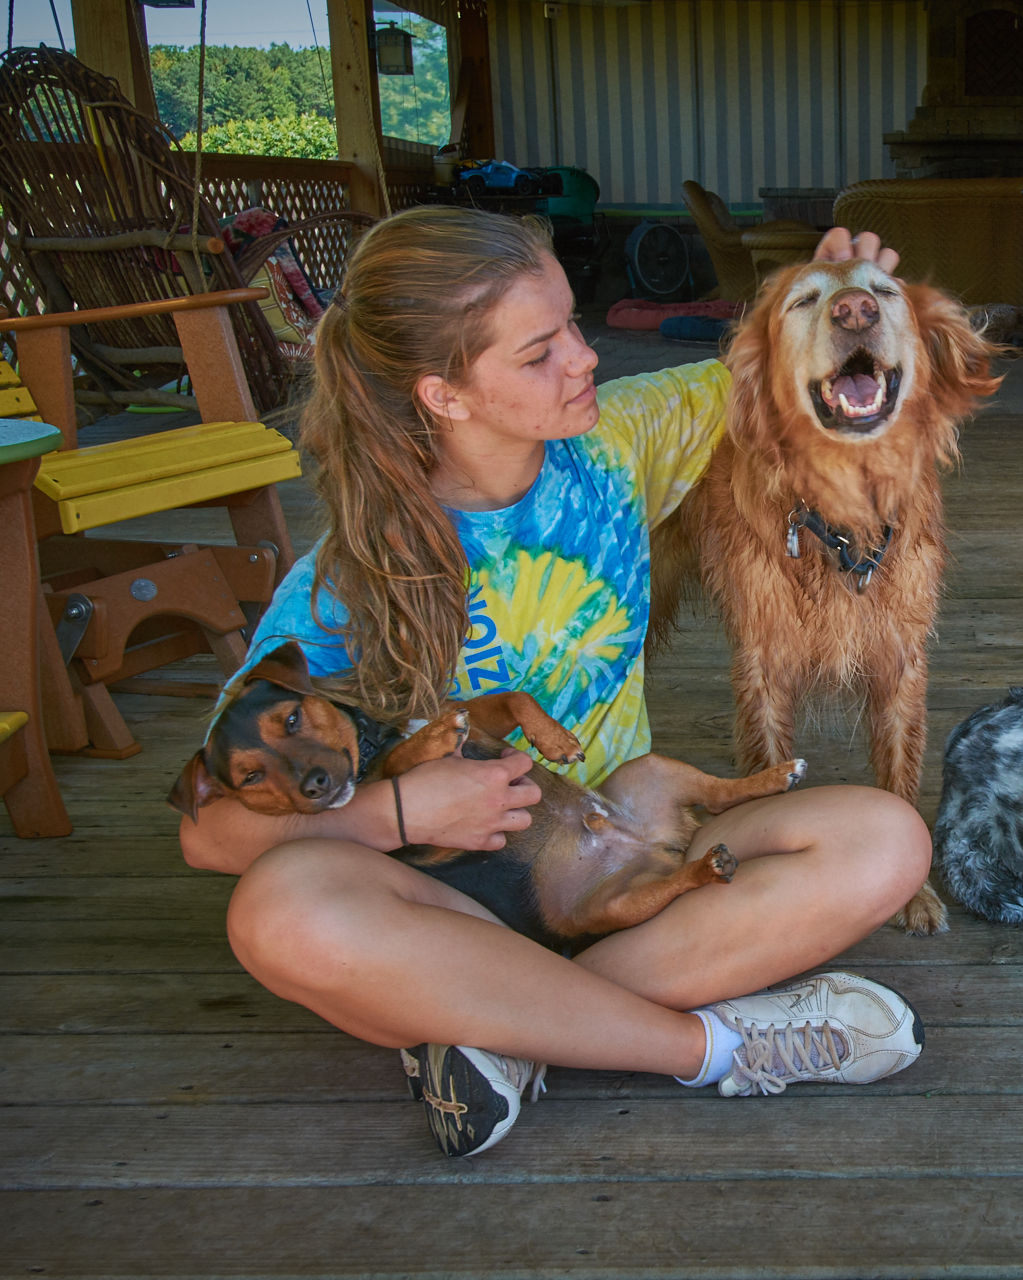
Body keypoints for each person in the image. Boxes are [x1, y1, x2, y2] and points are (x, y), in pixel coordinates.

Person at [180, 206, 934, 1157]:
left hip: (628, 854)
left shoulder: (618, 446)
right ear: (444, 395)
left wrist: (829, 292)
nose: (584, 358)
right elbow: (211, 831)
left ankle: (503, 1029)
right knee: (278, 913)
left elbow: (770, 364)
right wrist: (404, 815)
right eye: (539, 353)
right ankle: (712, 1044)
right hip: (448, 901)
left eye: (573, 325)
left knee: (887, 839)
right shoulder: (343, 585)